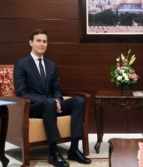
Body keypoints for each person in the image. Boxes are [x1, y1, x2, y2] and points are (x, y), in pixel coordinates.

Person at [13, 29, 91, 167]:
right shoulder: (21, 64)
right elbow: (22, 92)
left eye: (44, 41)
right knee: (49, 103)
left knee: (79, 101)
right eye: (38, 41)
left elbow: (57, 89)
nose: (42, 44)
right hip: (32, 107)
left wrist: (58, 99)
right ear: (31, 43)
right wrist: (50, 101)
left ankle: (73, 149)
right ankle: (54, 152)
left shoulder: (51, 65)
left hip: (51, 104)